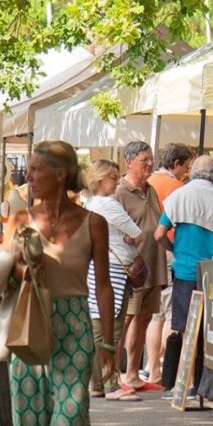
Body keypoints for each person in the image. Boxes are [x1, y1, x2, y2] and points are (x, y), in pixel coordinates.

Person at [0, 141, 115, 426]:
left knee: (67, 425)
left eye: (35, 170)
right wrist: (22, 265)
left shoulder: (94, 223)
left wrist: (109, 342)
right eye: (27, 170)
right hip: (31, 324)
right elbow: (2, 275)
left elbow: (103, 283)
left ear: (60, 175)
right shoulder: (19, 218)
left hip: (73, 325)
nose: (28, 177)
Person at [154, 156, 213, 396]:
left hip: (185, 269)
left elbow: (158, 234)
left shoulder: (178, 196)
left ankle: (184, 383)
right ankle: (203, 382)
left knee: (186, 327)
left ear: (192, 171)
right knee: (211, 329)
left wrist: (174, 251)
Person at [84, 159, 143, 402]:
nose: (117, 181)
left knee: (100, 326)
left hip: (99, 267)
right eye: (113, 177)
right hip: (115, 269)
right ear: (100, 180)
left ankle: (97, 382)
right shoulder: (107, 204)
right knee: (111, 327)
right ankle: (110, 383)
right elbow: (137, 233)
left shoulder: (89, 202)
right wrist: (132, 237)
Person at [115, 141, 168, 391]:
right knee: (125, 319)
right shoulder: (119, 192)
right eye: (144, 160)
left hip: (153, 264)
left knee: (144, 318)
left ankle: (134, 374)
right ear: (129, 162)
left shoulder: (151, 190)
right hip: (132, 269)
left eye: (151, 159)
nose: (150, 164)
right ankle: (112, 375)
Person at [144, 143, 193, 383]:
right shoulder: (177, 188)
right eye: (186, 167)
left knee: (156, 314)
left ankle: (152, 368)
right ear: (176, 164)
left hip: (148, 254)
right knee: (171, 314)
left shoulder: (149, 181)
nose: (187, 172)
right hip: (169, 251)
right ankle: (168, 371)